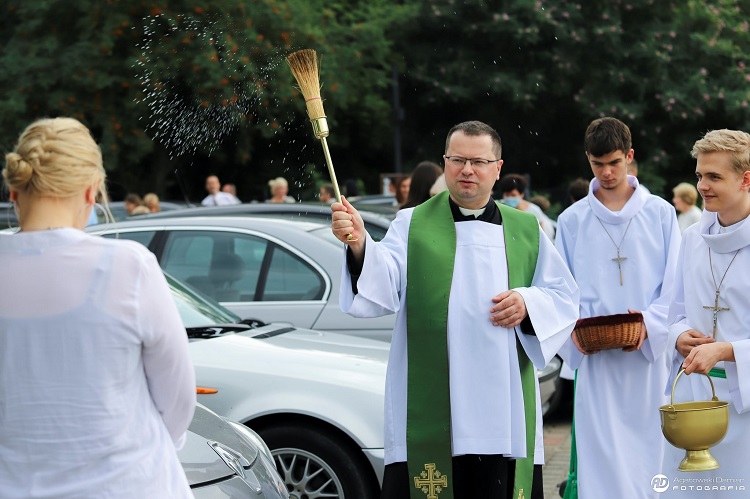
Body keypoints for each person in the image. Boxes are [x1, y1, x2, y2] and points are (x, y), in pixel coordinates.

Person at [331, 120, 580, 498]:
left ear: (497, 168)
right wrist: (360, 243)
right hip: (434, 408)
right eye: (458, 159)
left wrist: (528, 303)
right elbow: (382, 281)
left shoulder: (527, 230)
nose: (467, 169)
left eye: (478, 161)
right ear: (444, 162)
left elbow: (563, 297)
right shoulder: (411, 224)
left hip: (503, 408)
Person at [0, 117, 196, 498]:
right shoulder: (128, 266)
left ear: (13, 190)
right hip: (129, 484)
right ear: (92, 193)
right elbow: (177, 399)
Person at [555, 117, 681, 499]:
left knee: (651, 452)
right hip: (596, 361)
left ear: (629, 156)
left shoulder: (659, 213)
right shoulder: (572, 219)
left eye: (614, 162)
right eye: (597, 164)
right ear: (587, 160)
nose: (607, 172)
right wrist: (574, 333)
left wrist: (650, 327)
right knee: (601, 455)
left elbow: (674, 285)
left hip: (647, 359)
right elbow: (561, 290)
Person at [661, 129, 750, 496]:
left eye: (714, 176)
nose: (702, 186)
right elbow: (675, 312)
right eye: (700, 175)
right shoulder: (694, 238)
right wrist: (679, 335)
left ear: (746, 179)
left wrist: (728, 350)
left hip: (745, 404)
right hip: (694, 400)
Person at [498, 173, 556, 241]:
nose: (510, 198)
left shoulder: (534, 211)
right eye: (507, 195)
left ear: (522, 194)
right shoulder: (498, 207)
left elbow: (541, 236)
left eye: (513, 195)